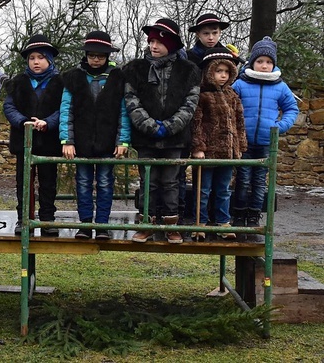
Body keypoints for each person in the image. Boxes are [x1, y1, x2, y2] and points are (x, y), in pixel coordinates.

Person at [122, 18, 200, 244]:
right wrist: (150, 126)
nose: (153, 46)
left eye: (159, 41)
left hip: (175, 139)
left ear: (172, 44)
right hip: (146, 138)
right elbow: (131, 100)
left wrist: (170, 126)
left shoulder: (189, 70)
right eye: (151, 41)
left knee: (171, 181)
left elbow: (190, 103)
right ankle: (147, 223)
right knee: (149, 181)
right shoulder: (136, 69)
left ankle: (171, 225)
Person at [60, 31, 130, 240]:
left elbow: (124, 112)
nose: (96, 59)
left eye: (100, 55)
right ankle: (84, 225)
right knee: (82, 183)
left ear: (107, 56)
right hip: (81, 142)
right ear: (86, 55)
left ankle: (102, 225)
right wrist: (67, 140)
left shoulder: (117, 77)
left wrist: (123, 140)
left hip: (108, 143)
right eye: (92, 55)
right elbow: (66, 111)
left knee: (105, 183)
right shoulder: (74, 77)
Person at [232, 37, 298, 241]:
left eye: (268, 62)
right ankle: (239, 214)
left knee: (260, 182)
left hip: (266, 143)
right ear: (252, 62)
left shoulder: (280, 87)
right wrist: (234, 128)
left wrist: (279, 127)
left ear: (273, 64)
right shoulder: (241, 84)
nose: (264, 65)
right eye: (260, 61)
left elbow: (291, 109)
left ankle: (254, 215)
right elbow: (229, 108)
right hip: (243, 142)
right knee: (242, 180)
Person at [3, 34, 63, 236]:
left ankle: (47, 219)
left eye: (40, 57)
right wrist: (23, 122)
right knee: (24, 181)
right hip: (24, 140)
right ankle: (24, 218)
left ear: (49, 60)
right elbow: (9, 106)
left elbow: (64, 109)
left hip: (49, 140)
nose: (36, 62)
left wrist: (48, 123)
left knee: (48, 182)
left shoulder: (59, 82)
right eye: (31, 58)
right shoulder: (18, 82)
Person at [190, 47, 247, 241]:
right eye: (218, 71)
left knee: (223, 190)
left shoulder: (232, 96)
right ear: (209, 72)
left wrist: (240, 146)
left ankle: (223, 222)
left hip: (228, 153)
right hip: (207, 152)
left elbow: (239, 123)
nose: (222, 75)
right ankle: (200, 223)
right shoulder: (202, 95)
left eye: (226, 72)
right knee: (203, 190)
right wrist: (198, 147)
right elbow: (196, 123)